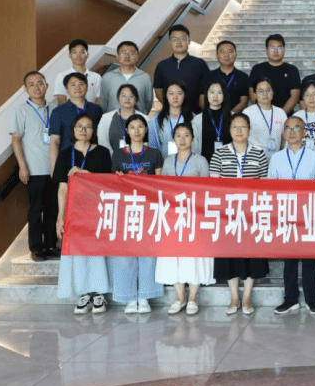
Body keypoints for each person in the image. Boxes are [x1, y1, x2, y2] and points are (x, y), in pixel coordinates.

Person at [210, 112, 270, 315]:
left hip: (252, 213)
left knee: (251, 254)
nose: (239, 130)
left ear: (249, 130)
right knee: (229, 254)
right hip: (227, 213)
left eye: (243, 126)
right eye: (235, 127)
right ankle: (234, 296)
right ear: (229, 130)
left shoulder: (258, 153)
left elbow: (264, 185)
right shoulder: (220, 153)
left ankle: (247, 297)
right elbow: (214, 185)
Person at [54, 114, 112, 314]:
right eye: (79, 126)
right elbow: (62, 188)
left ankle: (99, 293)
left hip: (97, 209)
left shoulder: (103, 153)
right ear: (73, 129)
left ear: (93, 131)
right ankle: (84, 292)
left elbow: (109, 182)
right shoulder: (65, 154)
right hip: (74, 211)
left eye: (88, 127)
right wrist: (60, 216)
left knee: (96, 251)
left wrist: (86, 175)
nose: (83, 130)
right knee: (78, 253)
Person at [268, 117, 315, 316]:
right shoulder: (276, 158)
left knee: (309, 259)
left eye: (296, 128)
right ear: (283, 133)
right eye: (288, 128)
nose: (292, 132)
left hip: (308, 213)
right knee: (289, 259)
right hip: (285, 213)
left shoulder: (314, 157)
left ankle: (312, 300)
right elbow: (271, 188)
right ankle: (290, 299)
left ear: (304, 133)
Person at [155, 122, 214, 315]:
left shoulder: (201, 161)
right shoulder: (167, 161)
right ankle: (179, 297)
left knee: (194, 255)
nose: (182, 139)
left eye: (186, 135)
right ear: (173, 139)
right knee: (173, 256)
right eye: (178, 135)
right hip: (173, 216)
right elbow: (162, 189)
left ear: (193, 138)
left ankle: (193, 297)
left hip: (195, 215)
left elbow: (206, 190)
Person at [108, 114, 164, 314]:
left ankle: (145, 295)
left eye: (141, 126)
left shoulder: (155, 153)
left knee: (148, 254)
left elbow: (161, 183)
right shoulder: (118, 154)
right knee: (125, 254)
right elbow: (113, 183)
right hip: (126, 209)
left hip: (148, 209)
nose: (137, 130)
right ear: (127, 131)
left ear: (146, 129)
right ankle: (129, 297)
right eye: (132, 127)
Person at [11, 71, 58, 262]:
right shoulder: (21, 110)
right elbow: (16, 140)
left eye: (40, 83)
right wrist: (22, 167)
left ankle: (51, 245)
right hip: (35, 169)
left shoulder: (54, 109)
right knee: (36, 210)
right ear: (25, 89)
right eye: (31, 84)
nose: (36, 87)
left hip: (54, 169)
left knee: (53, 209)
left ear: (46, 86)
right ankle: (36, 248)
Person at [48, 73, 104, 170]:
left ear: (87, 88)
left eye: (81, 84)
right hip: (67, 161)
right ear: (67, 90)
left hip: (93, 160)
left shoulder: (96, 110)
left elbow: (101, 137)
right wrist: (54, 169)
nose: (77, 87)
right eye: (73, 84)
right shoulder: (58, 111)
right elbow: (54, 141)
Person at [153, 24, 209, 114]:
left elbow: (205, 92)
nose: (178, 42)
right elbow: (158, 91)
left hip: (195, 115)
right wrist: (172, 108)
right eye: (174, 39)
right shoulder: (162, 66)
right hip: (171, 115)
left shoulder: (200, 64)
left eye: (182, 38)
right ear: (170, 42)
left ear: (189, 41)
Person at [249, 34, 301, 114]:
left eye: (279, 48)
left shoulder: (292, 70)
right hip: (261, 115)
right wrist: (264, 113)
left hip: (285, 117)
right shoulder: (257, 69)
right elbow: (252, 94)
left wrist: (280, 115)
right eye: (272, 48)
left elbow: (295, 96)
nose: (276, 51)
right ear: (266, 50)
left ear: (284, 50)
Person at [149, 81, 200, 158]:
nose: (175, 97)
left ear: (184, 95)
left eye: (179, 93)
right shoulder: (156, 118)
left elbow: (197, 145)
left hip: (188, 161)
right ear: (166, 95)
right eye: (171, 94)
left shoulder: (193, 118)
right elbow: (153, 145)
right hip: (164, 161)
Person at [100, 40, 153, 114]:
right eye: (124, 53)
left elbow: (148, 103)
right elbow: (103, 103)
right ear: (117, 56)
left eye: (132, 53)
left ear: (137, 57)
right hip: (113, 119)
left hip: (137, 119)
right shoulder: (107, 77)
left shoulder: (145, 77)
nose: (127, 56)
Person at [201, 40, 249, 114]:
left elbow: (244, 102)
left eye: (230, 52)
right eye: (222, 52)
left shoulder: (243, 77)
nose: (226, 55)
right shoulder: (208, 76)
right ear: (216, 56)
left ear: (236, 55)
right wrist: (214, 115)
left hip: (234, 117)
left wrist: (229, 115)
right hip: (212, 117)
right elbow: (202, 100)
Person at [243, 78, 287, 159]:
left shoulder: (281, 112)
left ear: (272, 92)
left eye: (268, 90)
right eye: (261, 91)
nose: (265, 94)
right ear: (255, 94)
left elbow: (284, 137)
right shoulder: (248, 113)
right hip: (254, 159)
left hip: (276, 159)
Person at [97, 84, 147, 154]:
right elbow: (102, 141)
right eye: (123, 96)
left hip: (139, 158)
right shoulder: (106, 118)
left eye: (131, 96)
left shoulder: (145, 119)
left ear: (136, 99)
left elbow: (147, 142)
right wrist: (114, 157)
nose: (127, 99)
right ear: (118, 99)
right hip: (111, 158)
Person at [53, 39, 102, 105]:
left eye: (82, 52)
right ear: (69, 55)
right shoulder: (61, 76)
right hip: (69, 111)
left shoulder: (96, 77)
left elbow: (99, 100)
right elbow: (61, 101)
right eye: (75, 52)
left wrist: (91, 110)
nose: (78, 55)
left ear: (87, 55)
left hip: (91, 111)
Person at [193, 80, 231, 164]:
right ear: (206, 94)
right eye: (212, 92)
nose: (215, 96)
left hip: (228, 164)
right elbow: (194, 147)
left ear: (224, 95)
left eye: (219, 92)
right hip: (205, 164)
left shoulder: (232, 117)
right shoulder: (198, 119)